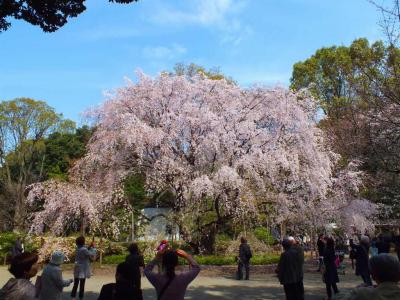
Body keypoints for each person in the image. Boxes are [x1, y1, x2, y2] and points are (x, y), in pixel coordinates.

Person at [71, 236, 97, 300]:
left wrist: (89, 246)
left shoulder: (77, 248)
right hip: (82, 269)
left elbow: (85, 249)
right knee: (82, 285)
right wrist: (93, 248)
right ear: (83, 242)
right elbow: (91, 254)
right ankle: (80, 297)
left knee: (75, 284)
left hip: (77, 268)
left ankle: (73, 297)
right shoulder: (84, 249)